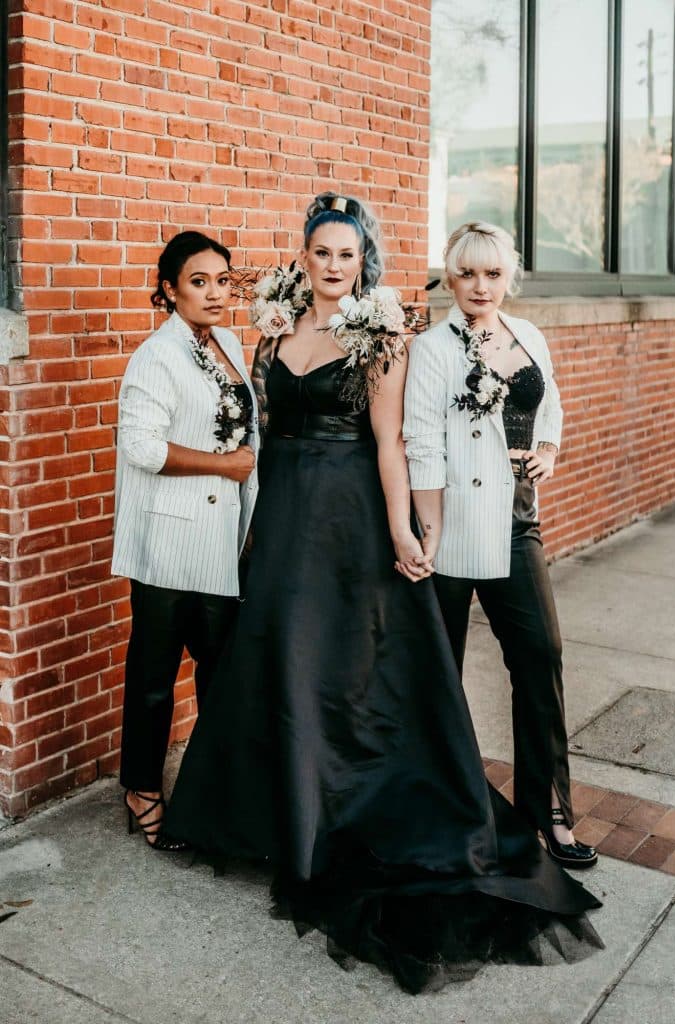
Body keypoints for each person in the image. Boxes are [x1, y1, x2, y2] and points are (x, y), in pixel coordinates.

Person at [165, 195, 602, 993]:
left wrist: (403, 529)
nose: (335, 265)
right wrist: (249, 517)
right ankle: (260, 817)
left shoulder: (383, 338)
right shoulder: (275, 330)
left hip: (347, 513)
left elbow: (394, 445)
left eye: (348, 254)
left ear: (363, 260)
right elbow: (262, 429)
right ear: (303, 257)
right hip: (284, 509)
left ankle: (337, 812)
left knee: (335, 661)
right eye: (322, 252)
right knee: (273, 655)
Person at [403, 220, 596, 869]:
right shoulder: (433, 349)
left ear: (509, 275)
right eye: (467, 273)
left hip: (517, 522)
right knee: (441, 669)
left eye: (492, 273)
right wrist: (428, 530)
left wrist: (549, 449)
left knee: (541, 655)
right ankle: (441, 807)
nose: (480, 285)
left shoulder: (528, 335)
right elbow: (422, 443)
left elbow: (550, 404)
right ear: (450, 278)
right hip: (452, 525)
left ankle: (548, 810)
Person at [112, 231, 258, 850]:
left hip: (220, 541)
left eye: (223, 280)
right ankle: (142, 789)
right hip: (169, 543)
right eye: (199, 282)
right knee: (154, 676)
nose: (215, 293)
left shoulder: (229, 343)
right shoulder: (157, 356)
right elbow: (141, 448)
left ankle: (212, 793)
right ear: (171, 290)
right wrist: (225, 466)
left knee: (223, 674)